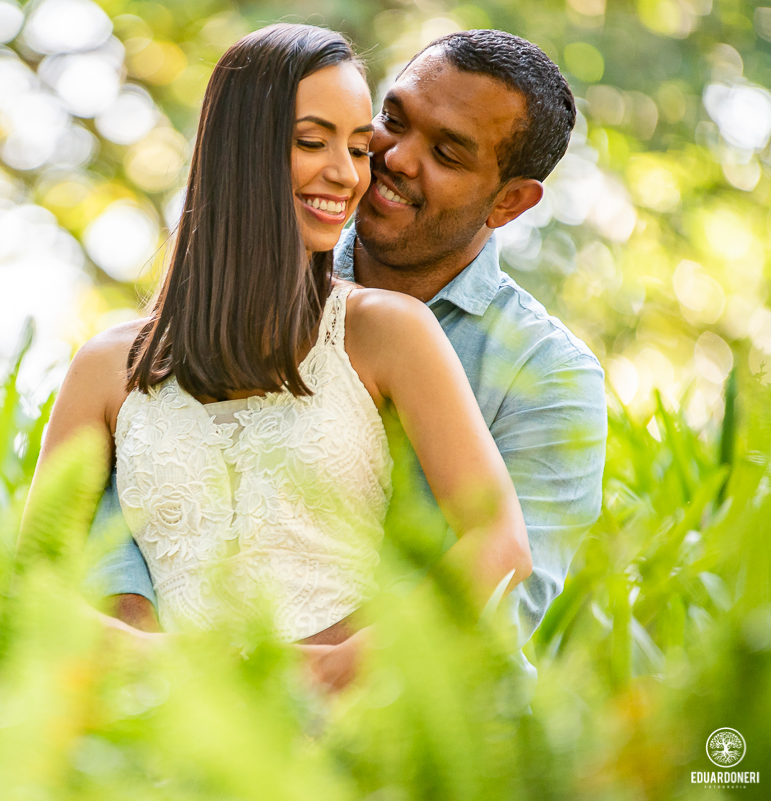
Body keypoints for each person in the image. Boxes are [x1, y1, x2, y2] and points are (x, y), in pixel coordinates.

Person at [93, 28, 609, 691]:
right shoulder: (240, 298)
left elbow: (508, 594)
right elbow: (121, 518)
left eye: (447, 153)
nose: (393, 157)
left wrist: (298, 669)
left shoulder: (547, 372)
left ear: (509, 200)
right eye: (391, 122)